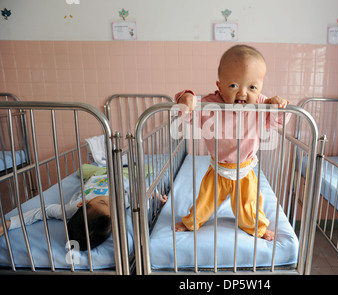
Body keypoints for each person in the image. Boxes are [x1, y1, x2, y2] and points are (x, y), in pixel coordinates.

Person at [174, 44, 289, 241]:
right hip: (218, 169)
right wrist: (186, 97)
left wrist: (279, 107)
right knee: (204, 202)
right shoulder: (211, 104)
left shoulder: (261, 105)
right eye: (234, 85)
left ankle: (258, 229)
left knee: (249, 206)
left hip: (244, 171)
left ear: (260, 87)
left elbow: (278, 122)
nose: (243, 93)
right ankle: (191, 223)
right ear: (220, 86)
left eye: (252, 87)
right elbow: (186, 113)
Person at [0, 174, 168, 250]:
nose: (110, 202)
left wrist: (9, 223)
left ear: (82, 203)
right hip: (109, 180)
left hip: (99, 178)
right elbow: (140, 191)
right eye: (109, 206)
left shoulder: (71, 209)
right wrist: (155, 195)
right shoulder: (119, 202)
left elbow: (43, 211)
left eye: (104, 202)